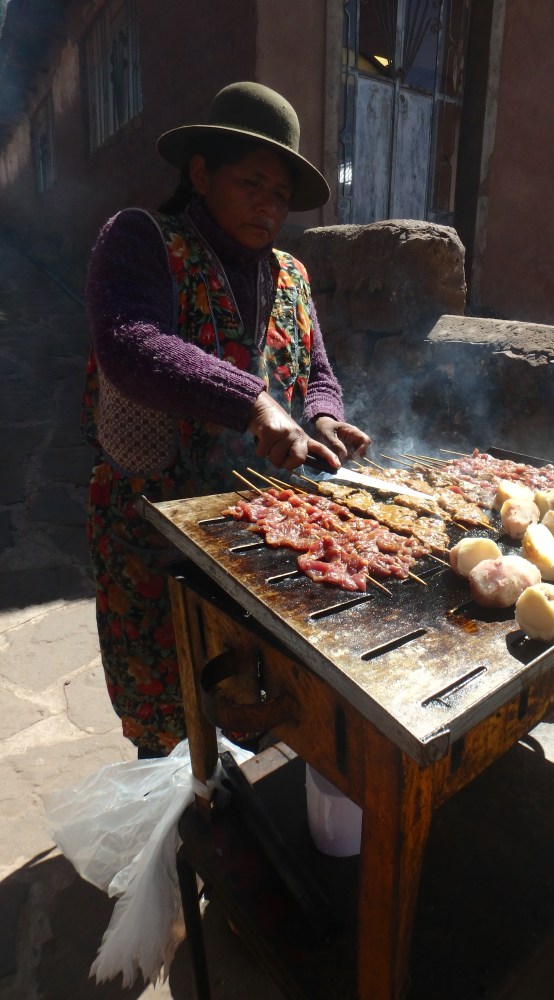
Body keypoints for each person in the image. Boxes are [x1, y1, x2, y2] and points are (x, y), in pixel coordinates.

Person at [81, 82, 371, 758]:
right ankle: (175, 821)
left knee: (247, 694)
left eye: (281, 193)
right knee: (167, 705)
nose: (269, 204)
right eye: (252, 181)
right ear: (201, 172)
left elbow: (319, 373)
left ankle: (237, 820)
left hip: (254, 532)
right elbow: (131, 343)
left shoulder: (291, 276)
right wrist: (254, 401)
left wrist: (324, 416)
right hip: (150, 524)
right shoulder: (142, 240)